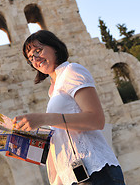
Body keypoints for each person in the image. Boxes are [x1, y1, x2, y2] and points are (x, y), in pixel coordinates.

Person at [13, 30, 125, 185]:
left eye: (38, 51)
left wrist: (43, 118)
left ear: (55, 47)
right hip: (74, 177)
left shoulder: (71, 71)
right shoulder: (53, 90)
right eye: (30, 58)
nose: (35, 58)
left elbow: (96, 119)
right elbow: (65, 134)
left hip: (95, 171)